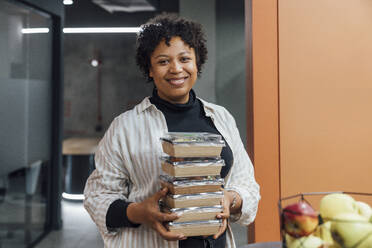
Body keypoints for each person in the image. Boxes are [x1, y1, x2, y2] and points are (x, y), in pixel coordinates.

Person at [84, 13, 260, 248]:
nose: (176, 69)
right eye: (163, 61)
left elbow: (247, 184)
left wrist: (231, 198)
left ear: (197, 63)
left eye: (185, 58)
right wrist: (138, 212)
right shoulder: (124, 127)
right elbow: (97, 197)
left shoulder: (221, 118)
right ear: (150, 69)